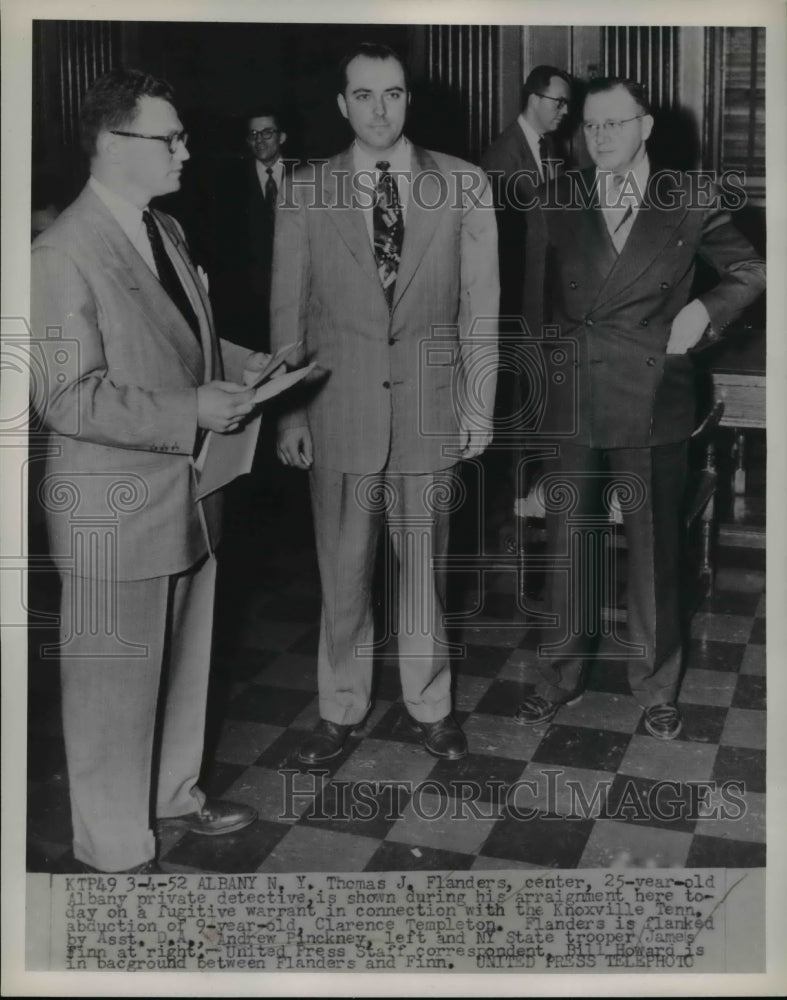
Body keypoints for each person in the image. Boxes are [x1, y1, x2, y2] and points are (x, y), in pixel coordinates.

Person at [30, 68, 272, 873]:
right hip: (113, 506)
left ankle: (173, 797)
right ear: (111, 145)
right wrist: (190, 412)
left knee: (180, 670)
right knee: (110, 695)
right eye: (168, 139)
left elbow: (182, 344)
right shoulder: (61, 253)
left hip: (185, 493)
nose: (186, 151)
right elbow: (67, 398)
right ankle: (114, 850)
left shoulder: (160, 229)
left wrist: (250, 363)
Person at [515, 77, 766, 740]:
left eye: (615, 124)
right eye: (590, 126)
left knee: (655, 548)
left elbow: (751, 272)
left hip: (655, 398)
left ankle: (655, 685)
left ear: (646, 127)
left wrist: (702, 312)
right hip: (573, 392)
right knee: (571, 545)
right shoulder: (555, 196)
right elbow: (535, 310)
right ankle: (558, 676)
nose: (600, 138)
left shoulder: (687, 197)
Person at [270, 42, 499, 764]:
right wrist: (290, 411)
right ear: (342, 104)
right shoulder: (304, 190)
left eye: (392, 94)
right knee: (341, 574)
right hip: (337, 414)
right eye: (363, 95)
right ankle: (339, 708)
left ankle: (430, 706)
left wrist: (477, 406)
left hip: (430, 413)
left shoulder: (463, 185)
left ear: (408, 100)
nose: (378, 109)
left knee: (425, 572)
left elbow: (480, 311)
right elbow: (288, 316)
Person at [480, 66, 572, 551]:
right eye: (558, 102)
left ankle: (532, 511)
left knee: (537, 420)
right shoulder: (501, 156)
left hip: (544, 313)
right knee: (516, 422)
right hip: (516, 318)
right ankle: (511, 523)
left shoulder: (549, 151)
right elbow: (496, 254)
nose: (564, 111)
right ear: (533, 98)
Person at [211, 106, 292, 352]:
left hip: (294, 295)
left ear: (282, 137)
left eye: (267, 133)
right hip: (250, 303)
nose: (259, 140)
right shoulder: (228, 181)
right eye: (253, 134)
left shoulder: (306, 175)